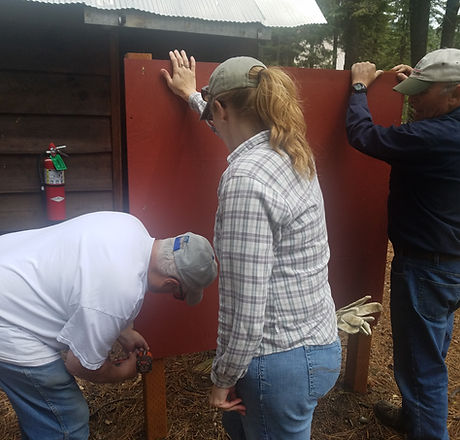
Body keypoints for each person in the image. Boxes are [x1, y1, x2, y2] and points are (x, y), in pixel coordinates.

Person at [161, 49, 341, 439]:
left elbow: (245, 304)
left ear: (222, 107)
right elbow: (228, 128)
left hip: (279, 362)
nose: (211, 118)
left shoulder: (245, 180)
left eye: (212, 110)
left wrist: (222, 377)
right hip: (317, 341)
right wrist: (193, 95)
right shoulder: (290, 148)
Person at [0, 210, 217, 439]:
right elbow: (80, 365)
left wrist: (123, 332)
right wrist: (122, 372)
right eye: (180, 294)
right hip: (9, 319)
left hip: (10, 264)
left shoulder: (130, 225)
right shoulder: (122, 292)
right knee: (65, 418)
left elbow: (90, 285)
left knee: (40, 411)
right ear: (171, 283)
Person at [346, 48, 460, 440]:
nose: (411, 100)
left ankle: (426, 431)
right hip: (449, 264)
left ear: (455, 94)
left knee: (421, 366)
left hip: (427, 268)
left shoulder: (435, 135)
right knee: (428, 354)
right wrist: (421, 79)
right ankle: (414, 418)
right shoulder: (450, 126)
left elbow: (363, 135)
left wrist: (359, 86)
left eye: (421, 92)